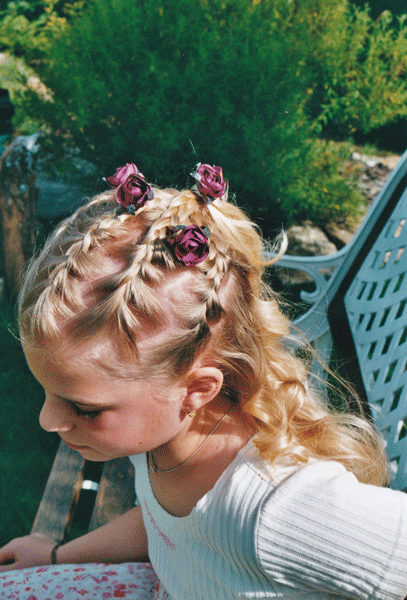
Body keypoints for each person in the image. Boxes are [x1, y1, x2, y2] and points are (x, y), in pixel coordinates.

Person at [0, 161, 406, 600]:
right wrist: (59, 556)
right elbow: (163, 523)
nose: (46, 419)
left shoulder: (276, 511)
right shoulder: (166, 437)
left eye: (84, 408)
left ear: (197, 389)